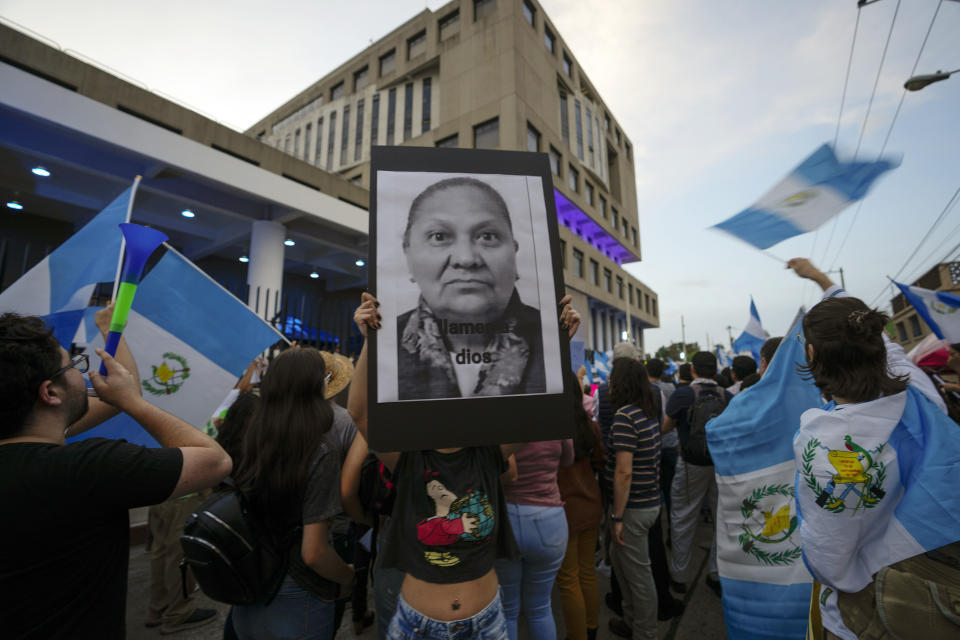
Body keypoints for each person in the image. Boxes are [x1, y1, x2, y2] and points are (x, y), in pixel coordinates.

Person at [349, 291, 580, 640]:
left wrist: (556, 341)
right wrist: (371, 341)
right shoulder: (410, 460)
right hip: (415, 626)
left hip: (486, 624)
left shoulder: (488, 455)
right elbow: (360, 415)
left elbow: (543, 415)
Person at [0, 309, 232, 638]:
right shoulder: (89, 468)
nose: (82, 375)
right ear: (50, 392)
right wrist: (134, 403)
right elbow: (215, 461)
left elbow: (119, 393)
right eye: (74, 366)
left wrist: (113, 330)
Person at [787, 258, 960, 639]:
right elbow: (885, 345)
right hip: (935, 595)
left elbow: (829, 560)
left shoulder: (824, 442)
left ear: (812, 355)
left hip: (865, 619)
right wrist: (821, 280)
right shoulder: (919, 389)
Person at [230, 347, 356, 640]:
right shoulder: (320, 450)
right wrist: (347, 577)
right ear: (312, 387)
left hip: (251, 575)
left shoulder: (253, 437)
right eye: (324, 377)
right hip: (297, 589)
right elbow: (314, 552)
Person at [396, 177, 545, 399]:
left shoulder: (550, 339)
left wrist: (563, 339)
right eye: (439, 237)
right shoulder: (384, 342)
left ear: (514, 253)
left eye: (487, 236)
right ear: (408, 254)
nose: (466, 259)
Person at [662, 351, 732, 597]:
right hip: (720, 465)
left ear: (692, 370)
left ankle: (679, 575)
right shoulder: (728, 396)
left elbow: (666, 427)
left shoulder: (683, 394)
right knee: (720, 519)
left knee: (683, 517)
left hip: (690, 464)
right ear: (715, 370)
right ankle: (716, 573)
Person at [605, 358, 662, 640]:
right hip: (649, 500)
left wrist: (617, 516)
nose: (608, 382)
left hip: (633, 508)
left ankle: (646, 633)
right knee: (623, 566)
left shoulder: (626, 416)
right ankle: (631, 622)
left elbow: (623, 472)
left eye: (612, 377)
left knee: (638, 578)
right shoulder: (648, 410)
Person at [496, 435, 573, 640]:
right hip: (549, 520)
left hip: (507, 518)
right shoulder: (552, 416)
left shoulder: (498, 419)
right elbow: (568, 459)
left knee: (507, 609)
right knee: (540, 606)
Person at [557, 371, 605, 640]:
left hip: (565, 510)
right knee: (587, 572)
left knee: (568, 579)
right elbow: (600, 461)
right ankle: (591, 628)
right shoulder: (590, 425)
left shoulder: (552, 430)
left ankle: (577, 635)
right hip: (591, 504)